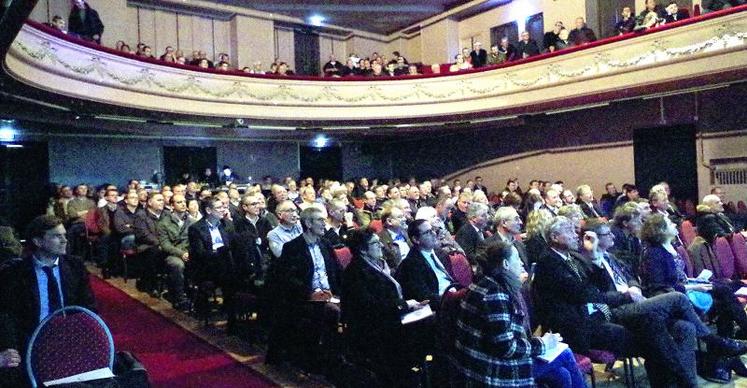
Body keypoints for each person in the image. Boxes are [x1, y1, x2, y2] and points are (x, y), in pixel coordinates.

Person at [455, 240, 586, 387]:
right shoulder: (495, 295)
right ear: (505, 264)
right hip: (488, 371)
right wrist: (543, 344)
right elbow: (507, 348)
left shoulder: (486, 283)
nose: (522, 264)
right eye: (517, 259)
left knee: (561, 375)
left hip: (483, 361)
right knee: (566, 354)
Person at [0, 215, 96, 386]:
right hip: (30, 342)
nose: (64, 240)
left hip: (69, 340)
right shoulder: (15, 273)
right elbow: (7, 314)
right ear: (38, 241)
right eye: (56, 236)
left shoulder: (75, 267)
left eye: (64, 235)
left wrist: (85, 339)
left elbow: (87, 308)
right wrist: (10, 347)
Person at [341, 229, 429, 385]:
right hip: (373, 328)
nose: (381, 245)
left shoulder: (377, 265)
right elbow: (373, 307)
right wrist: (406, 305)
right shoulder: (357, 272)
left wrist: (410, 305)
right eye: (375, 243)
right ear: (362, 249)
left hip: (389, 317)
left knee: (429, 319)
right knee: (425, 331)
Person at [265, 206, 342, 371]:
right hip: (305, 297)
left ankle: (342, 354)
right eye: (320, 220)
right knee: (332, 311)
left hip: (330, 293)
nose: (324, 224)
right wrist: (312, 293)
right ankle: (320, 357)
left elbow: (337, 271)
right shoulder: (293, 247)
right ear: (308, 223)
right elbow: (288, 279)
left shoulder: (325, 244)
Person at [396, 219, 458, 312]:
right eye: (428, 232)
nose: (434, 234)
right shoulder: (411, 264)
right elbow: (424, 297)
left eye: (432, 229)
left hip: (454, 294)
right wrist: (453, 298)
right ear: (416, 239)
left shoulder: (440, 253)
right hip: (442, 305)